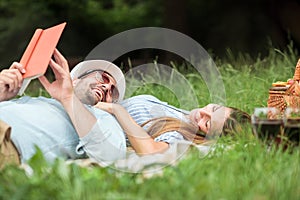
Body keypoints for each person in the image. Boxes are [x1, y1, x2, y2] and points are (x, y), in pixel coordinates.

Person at [0, 49, 127, 168]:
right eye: (103, 78)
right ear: (75, 80)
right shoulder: (38, 102)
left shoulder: (103, 118)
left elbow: (111, 155)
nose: (106, 87)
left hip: (6, 141)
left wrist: (69, 98)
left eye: (113, 92)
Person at [95, 95, 251, 155]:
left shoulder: (181, 133)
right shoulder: (184, 116)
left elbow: (151, 151)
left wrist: (116, 110)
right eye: (214, 109)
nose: (204, 113)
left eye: (208, 123)